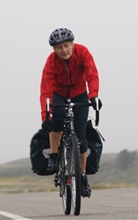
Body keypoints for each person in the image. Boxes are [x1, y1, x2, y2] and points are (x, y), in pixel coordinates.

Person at [40, 28, 102, 198]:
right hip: (58, 93)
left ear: (73, 44)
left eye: (67, 45)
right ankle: (54, 155)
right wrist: (46, 116)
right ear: (54, 49)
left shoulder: (83, 52)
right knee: (56, 125)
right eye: (59, 47)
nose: (64, 50)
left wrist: (94, 95)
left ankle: (82, 176)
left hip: (79, 93)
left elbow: (92, 74)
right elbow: (46, 89)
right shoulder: (51, 61)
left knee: (81, 137)